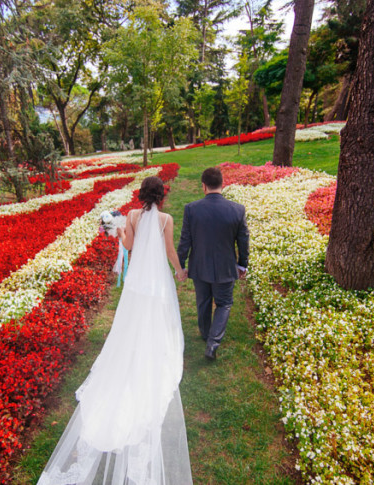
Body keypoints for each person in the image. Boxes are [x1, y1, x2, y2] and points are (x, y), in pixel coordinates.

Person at [37, 176, 193, 485]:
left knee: (131, 318)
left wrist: (120, 231)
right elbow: (169, 250)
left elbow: (129, 246)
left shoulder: (133, 216)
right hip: (157, 279)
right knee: (157, 318)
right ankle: (153, 347)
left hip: (137, 280)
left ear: (141, 196)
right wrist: (179, 270)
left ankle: (133, 346)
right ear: (161, 196)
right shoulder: (166, 219)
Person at [177, 167, 249, 361]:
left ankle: (205, 333)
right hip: (226, 266)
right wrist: (242, 264)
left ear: (203, 186)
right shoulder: (237, 209)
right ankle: (213, 343)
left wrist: (180, 265)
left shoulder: (191, 209)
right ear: (221, 184)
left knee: (203, 301)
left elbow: (185, 241)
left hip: (199, 266)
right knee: (224, 303)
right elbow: (243, 240)